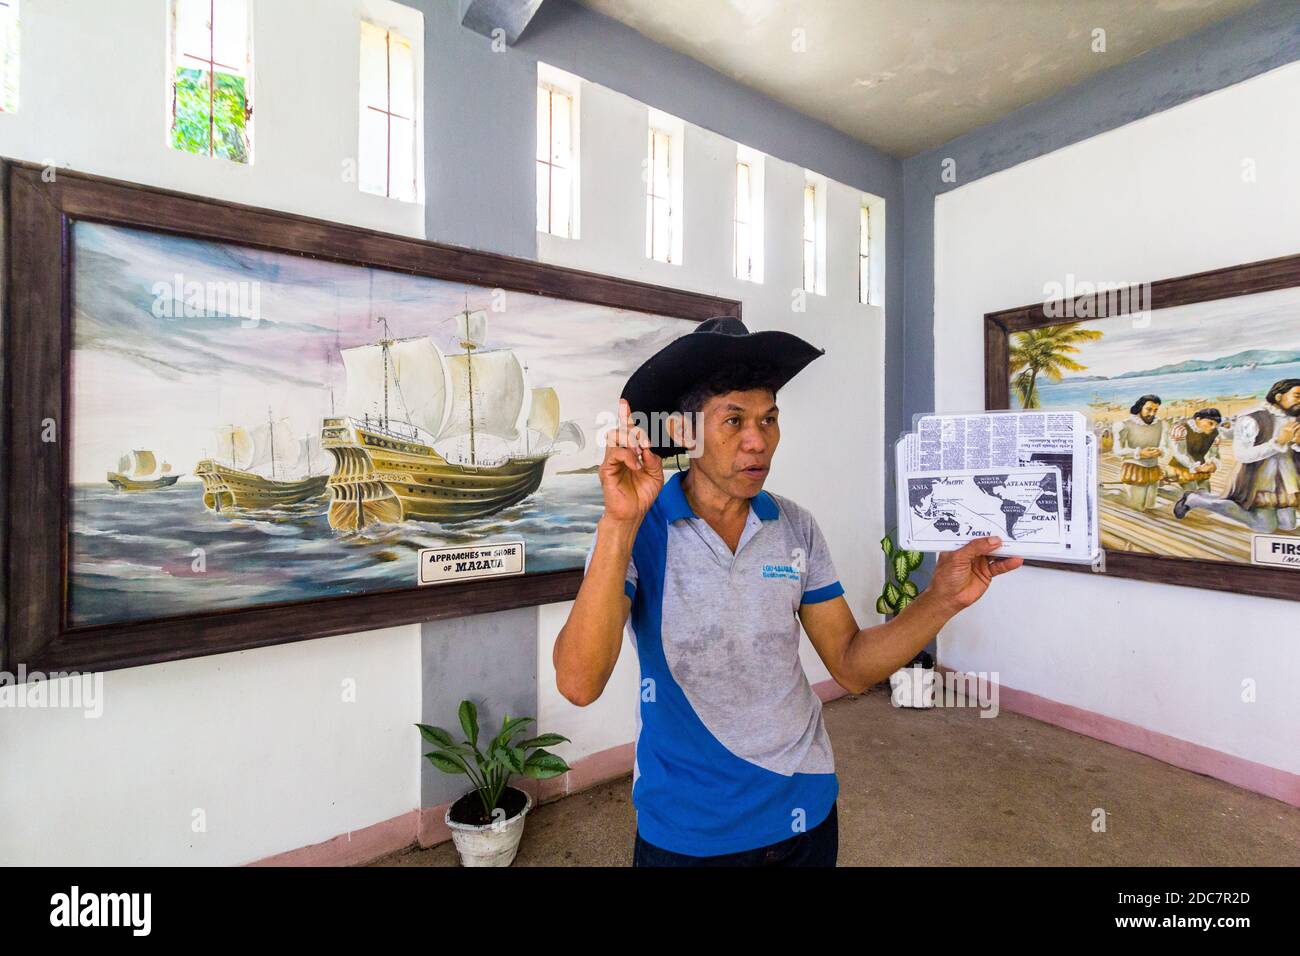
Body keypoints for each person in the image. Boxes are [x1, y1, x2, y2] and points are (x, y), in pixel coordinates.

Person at [552, 316, 1022, 867]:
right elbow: (579, 683)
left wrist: (943, 597)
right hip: (687, 830)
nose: (759, 442)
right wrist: (617, 524)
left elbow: (848, 664)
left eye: (769, 419)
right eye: (733, 420)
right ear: (683, 432)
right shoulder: (636, 531)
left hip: (805, 811)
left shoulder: (794, 527)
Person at [1174, 379, 1300, 532]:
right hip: (1258, 481)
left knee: (1289, 525)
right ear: (1279, 396)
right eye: (1297, 396)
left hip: (1287, 480)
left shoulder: (1296, 417)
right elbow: (1242, 455)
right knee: (1265, 527)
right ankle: (1194, 499)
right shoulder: (1251, 419)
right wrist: (1278, 442)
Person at [1113, 394, 1166, 511]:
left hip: (1154, 469)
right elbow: (1117, 450)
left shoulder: (1160, 423)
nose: (1152, 413)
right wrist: (1140, 453)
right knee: (1137, 508)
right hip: (1134, 469)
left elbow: (1164, 445)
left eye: (1155, 410)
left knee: (1150, 506)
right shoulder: (1124, 424)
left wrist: (1160, 450)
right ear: (1140, 407)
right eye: (1149, 409)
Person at [1165, 408, 1223, 495]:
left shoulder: (1215, 434)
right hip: (1181, 466)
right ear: (1198, 419)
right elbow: (1180, 453)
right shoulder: (1181, 429)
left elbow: (1214, 453)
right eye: (1210, 423)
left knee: (1206, 490)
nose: (1213, 427)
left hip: (1201, 468)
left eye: (1216, 425)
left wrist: (1212, 463)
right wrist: (1194, 467)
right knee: (1191, 489)